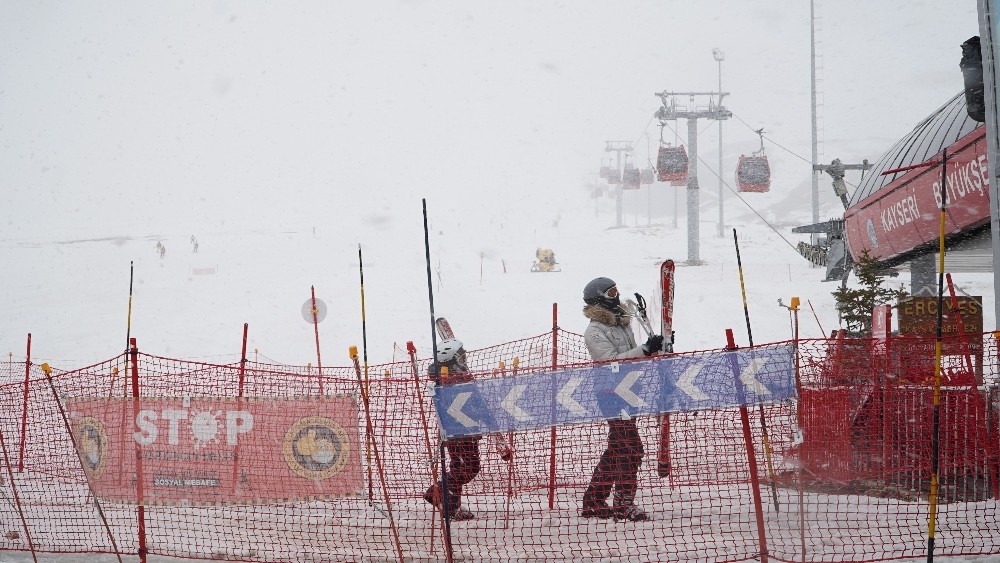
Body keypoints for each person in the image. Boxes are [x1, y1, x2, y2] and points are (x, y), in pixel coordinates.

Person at [580, 277, 663, 522]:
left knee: (618, 448)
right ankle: (622, 504)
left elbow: (633, 356)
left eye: (616, 290)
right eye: (611, 292)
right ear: (599, 298)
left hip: (629, 391)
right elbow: (611, 362)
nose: (616, 296)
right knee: (630, 449)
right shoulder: (594, 331)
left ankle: (593, 501)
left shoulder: (621, 323)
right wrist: (644, 350)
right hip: (611, 393)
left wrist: (656, 348)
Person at [423, 338, 480, 521]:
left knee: (460, 467)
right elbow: (464, 405)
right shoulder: (447, 381)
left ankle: (452, 506)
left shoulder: (455, 379)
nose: (464, 361)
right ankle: (437, 491)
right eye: (460, 358)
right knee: (468, 469)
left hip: (462, 432)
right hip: (459, 433)